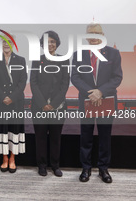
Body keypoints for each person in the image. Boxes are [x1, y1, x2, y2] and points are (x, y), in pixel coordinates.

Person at [71, 23, 122, 183]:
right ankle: (86, 168)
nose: (93, 36)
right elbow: (75, 77)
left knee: (105, 136)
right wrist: (91, 93)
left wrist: (100, 92)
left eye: (96, 33)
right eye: (90, 33)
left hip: (106, 101)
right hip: (86, 101)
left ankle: (103, 169)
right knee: (85, 135)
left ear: (102, 35)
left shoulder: (113, 53)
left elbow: (117, 77)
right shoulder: (78, 53)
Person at [30, 30, 70, 177]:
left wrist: (53, 104)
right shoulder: (36, 60)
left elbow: (65, 84)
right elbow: (33, 83)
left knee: (55, 137)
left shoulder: (64, 60)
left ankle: (55, 165)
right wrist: (43, 104)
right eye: (47, 42)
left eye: (53, 42)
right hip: (38, 106)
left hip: (58, 107)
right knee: (40, 137)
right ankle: (41, 165)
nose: (50, 44)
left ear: (57, 44)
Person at [0, 37, 27, 173]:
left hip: (16, 102)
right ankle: (4, 158)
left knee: (14, 129)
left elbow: (23, 82)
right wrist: (3, 96)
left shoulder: (21, 60)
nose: (7, 44)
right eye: (4, 42)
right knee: (2, 129)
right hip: (0, 102)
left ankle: (12, 158)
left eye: (9, 42)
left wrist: (12, 97)